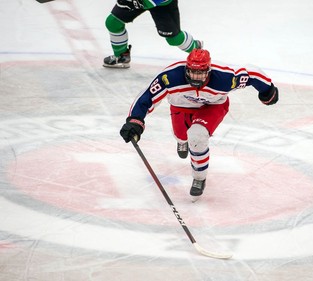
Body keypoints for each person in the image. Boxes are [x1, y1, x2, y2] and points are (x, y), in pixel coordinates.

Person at [119, 48, 279, 201]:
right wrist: (135, 120)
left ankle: (199, 177)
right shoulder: (170, 76)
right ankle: (182, 142)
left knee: (197, 136)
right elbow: (148, 96)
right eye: (192, 72)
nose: (195, 77)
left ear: (208, 71)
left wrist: (268, 90)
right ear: (186, 69)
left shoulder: (224, 79)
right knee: (181, 135)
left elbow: (250, 74)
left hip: (213, 106)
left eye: (200, 73)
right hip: (181, 106)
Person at [103, 0, 202, 68]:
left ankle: (195, 48)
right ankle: (121, 56)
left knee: (174, 39)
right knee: (113, 22)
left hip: (162, 4)